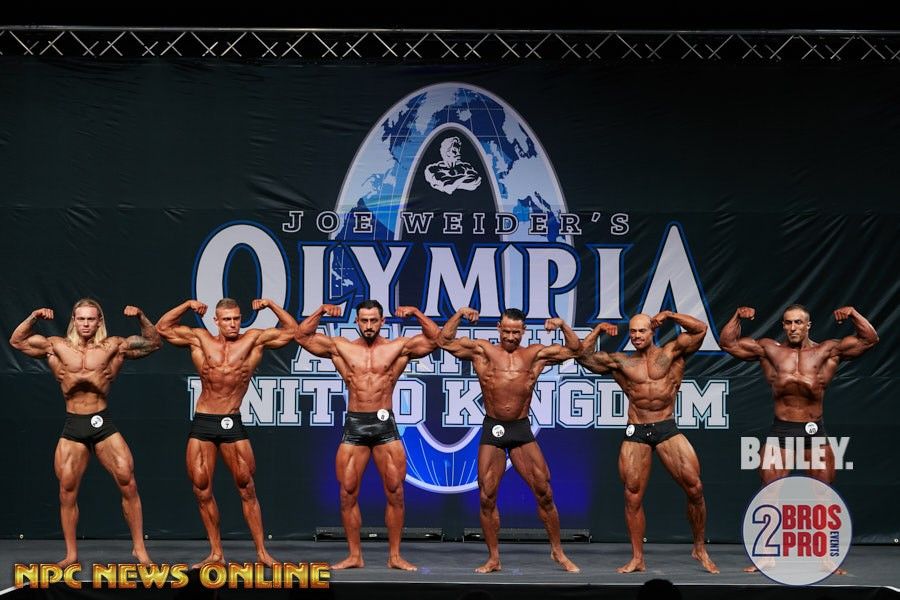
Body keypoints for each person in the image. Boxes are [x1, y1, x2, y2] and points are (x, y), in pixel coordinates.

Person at [720, 304, 878, 573]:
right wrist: (736, 316)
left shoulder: (827, 351)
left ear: (808, 325)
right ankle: (767, 555)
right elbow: (728, 343)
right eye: (788, 323)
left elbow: (870, 339)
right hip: (781, 430)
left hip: (814, 431)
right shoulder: (769, 350)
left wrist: (853, 314)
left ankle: (825, 556)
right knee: (769, 493)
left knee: (823, 494)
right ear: (783, 325)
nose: (792, 328)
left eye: (798, 322)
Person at [9, 299, 160, 567]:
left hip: (102, 422)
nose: (86, 324)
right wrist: (33, 317)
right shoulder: (56, 346)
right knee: (67, 490)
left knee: (128, 481)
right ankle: (71, 555)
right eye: (81, 319)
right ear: (74, 321)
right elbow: (17, 341)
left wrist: (140, 316)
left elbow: (154, 342)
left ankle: (139, 549)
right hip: (73, 424)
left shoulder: (113, 346)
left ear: (99, 321)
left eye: (91, 319)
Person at [294, 300, 440, 571]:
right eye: (364, 320)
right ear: (357, 322)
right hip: (356, 424)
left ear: (382, 321)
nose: (369, 325)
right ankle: (354, 556)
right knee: (347, 493)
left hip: (385, 425)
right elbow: (302, 337)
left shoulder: (397, 347)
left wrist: (417, 313)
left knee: (396, 492)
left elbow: (436, 340)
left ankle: (395, 556)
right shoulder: (342, 347)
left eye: (374, 320)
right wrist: (321, 311)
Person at [155, 298, 297, 568]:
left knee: (246, 486)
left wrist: (271, 305)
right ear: (216, 321)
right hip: (204, 420)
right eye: (227, 319)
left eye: (236, 318)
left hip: (231, 419)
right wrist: (186, 305)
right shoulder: (200, 339)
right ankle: (216, 553)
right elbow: (162, 328)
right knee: (201, 488)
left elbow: (292, 331)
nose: (233, 324)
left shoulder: (253, 340)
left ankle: (262, 553)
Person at [437, 307, 580, 573]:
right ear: (499, 329)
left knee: (544, 491)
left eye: (516, 332)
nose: (511, 337)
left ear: (523, 331)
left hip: (520, 428)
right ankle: (494, 558)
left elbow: (575, 350)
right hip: (493, 428)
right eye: (507, 331)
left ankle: (558, 551)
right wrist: (459, 314)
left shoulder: (534, 354)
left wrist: (562, 325)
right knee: (487, 496)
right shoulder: (482, 351)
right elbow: (444, 341)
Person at [577, 311, 718, 574]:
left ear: (652, 331)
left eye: (642, 331)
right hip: (637, 429)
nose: (636, 336)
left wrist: (671, 315)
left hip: (666, 427)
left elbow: (701, 329)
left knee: (695, 488)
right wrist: (596, 331)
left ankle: (699, 547)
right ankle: (637, 558)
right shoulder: (621, 361)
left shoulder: (672, 352)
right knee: (632, 495)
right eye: (632, 331)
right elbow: (582, 357)